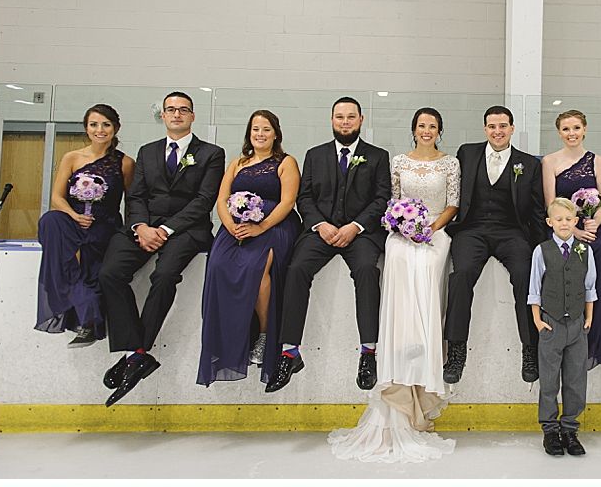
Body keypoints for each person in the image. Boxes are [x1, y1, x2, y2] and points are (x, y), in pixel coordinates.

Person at [329, 107, 460, 464]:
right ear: (413, 129)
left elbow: (453, 204)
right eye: (421, 125)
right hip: (401, 233)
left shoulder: (450, 163)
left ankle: (423, 376)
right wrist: (403, 225)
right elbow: (391, 199)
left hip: (435, 233)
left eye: (433, 126)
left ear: (439, 130)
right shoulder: (398, 160)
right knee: (398, 264)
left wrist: (429, 228)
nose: (427, 131)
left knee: (429, 271)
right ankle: (396, 379)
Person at [98, 91, 224, 405]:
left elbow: (203, 201)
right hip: (145, 226)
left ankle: (139, 351)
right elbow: (136, 196)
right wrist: (141, 227)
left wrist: (166, 230)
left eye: (183, 110)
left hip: (186, 230)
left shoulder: (211, 153)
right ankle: (133, 351)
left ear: (193, 116)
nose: (177, 114)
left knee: (165, 275)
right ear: (163, 116)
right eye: (171, 110)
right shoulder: (147, 151)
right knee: (111, 273)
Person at [266, 96, 391, 393]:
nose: (345, 122)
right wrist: (320, 225)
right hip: (319, 231)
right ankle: (289, 351)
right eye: (339, 117)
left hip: (360, 233)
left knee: (366, 271)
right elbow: (304, 196)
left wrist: (355, 226)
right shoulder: (315, 154)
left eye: (350, 117)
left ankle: (368, 352)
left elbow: (381, 198)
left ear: (361, 120)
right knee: (296, 269)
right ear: (331, 120)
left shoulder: (378, 156)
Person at [442, 104, 548, 385]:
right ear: (485, 128)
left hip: (511, 231)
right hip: (472, 230)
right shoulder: (467, 153)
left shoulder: (530, 163)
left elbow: (537, 210)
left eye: (503, 126)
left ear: (512, 128)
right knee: (461, 275)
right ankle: (456, 351)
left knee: (525, 276)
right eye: (492, 126)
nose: (497, 131)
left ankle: (530, 349)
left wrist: (542, 248)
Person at [197, 109, 301, 387]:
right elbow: (222, 199)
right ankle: (232, 336)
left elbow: (287, 203)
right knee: (218, 266)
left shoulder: (286, 162)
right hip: (235, 228)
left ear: (275, 133)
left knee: (257, 269)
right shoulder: (237, 163)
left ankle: (265, 334)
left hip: (274, 226)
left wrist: (261, 227)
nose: (260, 134)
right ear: (249, 133)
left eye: (266, 129)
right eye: (255, 129)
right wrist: (230, 224)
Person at [35, 104, 135, 344]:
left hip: (104, 223)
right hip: (70, 218)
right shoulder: (72, 157)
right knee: (50, 220)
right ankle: (84, 306)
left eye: (106, 124)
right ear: (86, 128)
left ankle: (88, 315)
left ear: (115, 128)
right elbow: (56, 198)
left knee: (90, 246)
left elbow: (132, 201)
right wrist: (73, 215)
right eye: (94, 124)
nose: (99, 130)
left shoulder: (125, 163)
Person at [541, 108, 601, 369]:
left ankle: (599, 342)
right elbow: (551, 205)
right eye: (566, 129)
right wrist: (573, 231)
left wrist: (593, 226)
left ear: (584, 129)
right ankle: (572, 341)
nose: (571, 133)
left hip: (593, 229)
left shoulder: (599, 161)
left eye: (576, 128)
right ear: (559, 132)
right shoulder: (550, 162)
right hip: (565, 231)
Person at [529, 197, 597, 458]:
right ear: (550, 222)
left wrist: (588, 318)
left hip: (578, 326)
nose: (564, 223)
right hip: (551, 324)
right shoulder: (541, 251)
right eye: (559, 219)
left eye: (569, 219)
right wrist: (538, 320)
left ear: (576, 221)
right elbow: (534, 289)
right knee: (549, 380)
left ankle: (570, 428)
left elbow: (590, 287)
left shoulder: (585, 250)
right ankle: (549, 430)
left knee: (576, 379)